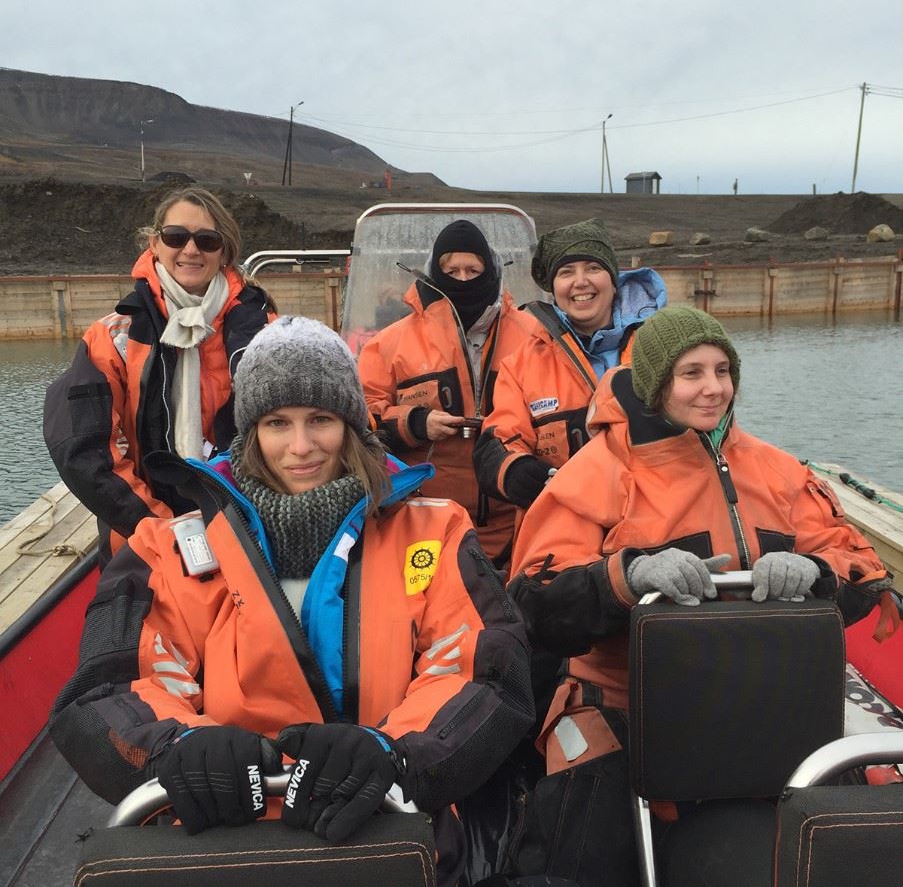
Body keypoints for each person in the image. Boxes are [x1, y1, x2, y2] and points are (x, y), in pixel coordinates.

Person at [50, 316, 535, 887]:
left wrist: (392, 752)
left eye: (321, 420)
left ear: (352, 427)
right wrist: (177, 749)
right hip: (222, 841)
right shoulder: (168, 548)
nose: (300, 447)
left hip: (387, 828)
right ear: (250, 433)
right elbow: (110, 685)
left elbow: (483, 670)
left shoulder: (437, 533)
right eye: (277, 422)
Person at [504, 306, 896, 886]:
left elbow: (861, 565)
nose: (713, 388)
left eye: (722, 370)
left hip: (765, 691)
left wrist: (817, 571)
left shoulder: (776, 469)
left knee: (854, 837)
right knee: (583, 842)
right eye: (692, 373)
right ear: (658, 383)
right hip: (621, 698)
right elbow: (535, 597)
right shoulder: (597, 473)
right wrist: (627, 576)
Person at [43, 186, 273, 566]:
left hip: (252, 530)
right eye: (176, 237)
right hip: (145, 541)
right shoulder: (112, 337)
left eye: (207, 240)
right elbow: (83, 449)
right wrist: (160, 528)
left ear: (225, 252)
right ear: (154, 243)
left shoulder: (268, 332)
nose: (191, 249)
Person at [358, 219, 539, 569]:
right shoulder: (388, 344)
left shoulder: (535, 335)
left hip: (519, 523)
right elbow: (362, 416)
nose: (462, 279)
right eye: (450, 269)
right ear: (433, 272)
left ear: (492, 270)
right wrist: (415, 422)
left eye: (473, 269)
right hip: (423, 522)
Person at [474, 218, 666, 515]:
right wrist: (514, 469)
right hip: (567, 528)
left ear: (614, 281)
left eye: (593, 268)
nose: (580, 281)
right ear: (552, 288)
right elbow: (499, 441)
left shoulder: (664, 345)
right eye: (566, 272)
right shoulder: (519, 365)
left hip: (662, 518)